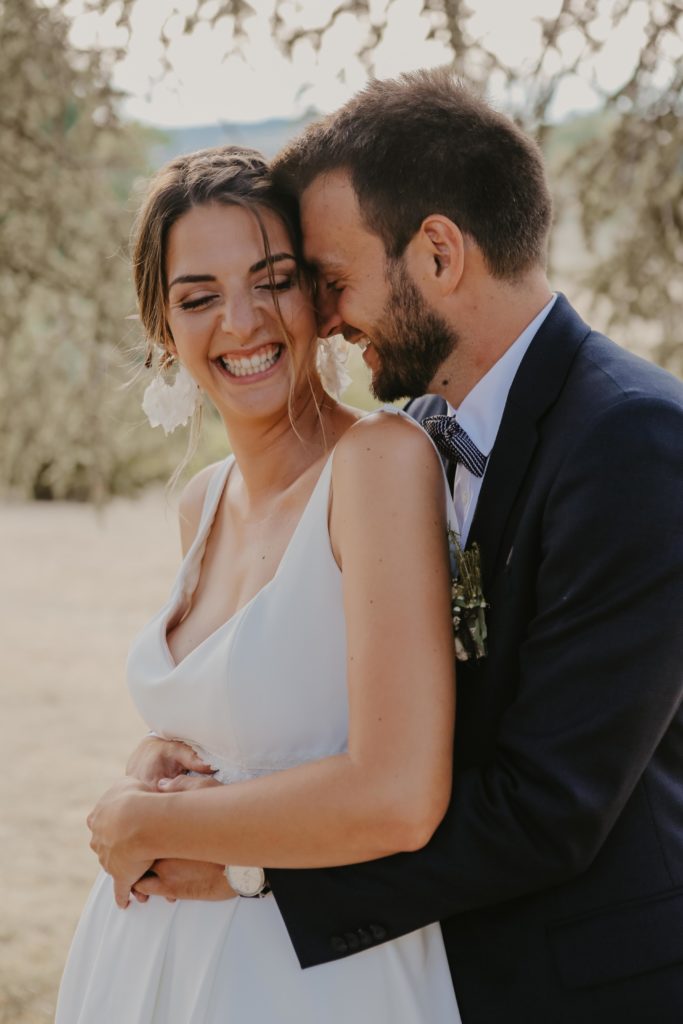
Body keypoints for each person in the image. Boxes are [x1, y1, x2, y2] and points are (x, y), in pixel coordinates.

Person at [124, 71, 683, 1023]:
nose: (328, 318)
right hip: (424, 966)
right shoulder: (422, 433)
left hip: (583, 986)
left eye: (329, 281)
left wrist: (248, 867)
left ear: (437, 253)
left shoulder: (634, 439)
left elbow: (548, 809)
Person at [56, 145, 463, 1022]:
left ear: (317, 298)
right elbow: (245, 726)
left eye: (271, 281)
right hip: (147, 959)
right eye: (198, 297)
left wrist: (147, 823)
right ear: (163, 330)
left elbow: (398, 796)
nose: (240, 323)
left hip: (314, 977)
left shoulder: (378, 464)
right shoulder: (201, 504)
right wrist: (155, 761)